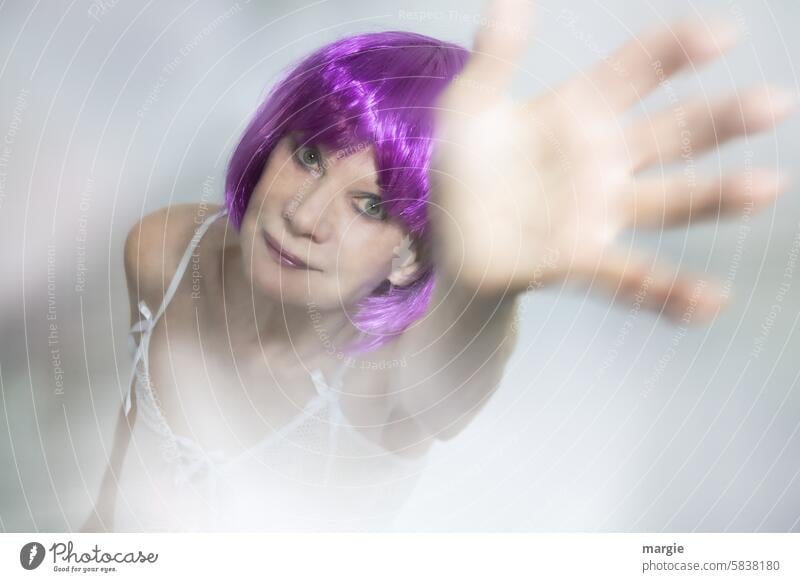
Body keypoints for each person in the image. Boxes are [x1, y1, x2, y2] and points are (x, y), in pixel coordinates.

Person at [82, 0, 795, 531]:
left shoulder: (387, 392)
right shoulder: (161, 250)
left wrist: (487, 287)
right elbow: (133, 431)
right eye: (307, 157)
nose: (304, 216)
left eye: (370, 206)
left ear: (410, 256)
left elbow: (454, 365)